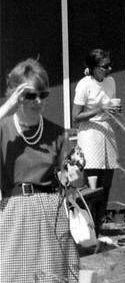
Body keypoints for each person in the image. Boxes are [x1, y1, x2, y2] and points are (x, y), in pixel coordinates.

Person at [1, 60, 83, 283]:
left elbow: (72, 179)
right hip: (13, 214)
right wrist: (6, 107)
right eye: (30, 95)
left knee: (53, 277)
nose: (38, 101)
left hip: (51, 212)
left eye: (43, 94)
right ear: (16, 95)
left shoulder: (57, 132)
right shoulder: (4, 128)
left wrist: (74, 176)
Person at [71, 48, 119, 237]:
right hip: (90, 133)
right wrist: (99, 108)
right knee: (92, 184)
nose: (109, 69)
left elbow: (110, 106)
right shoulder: (84, 84)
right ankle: (89, 232)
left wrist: (112, 110)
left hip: (107, 130)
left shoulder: (111, 81)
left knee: (107, 181)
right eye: (105, 66)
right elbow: (76, 116)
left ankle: (98, 228)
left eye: (109, 64)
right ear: (93, 68)